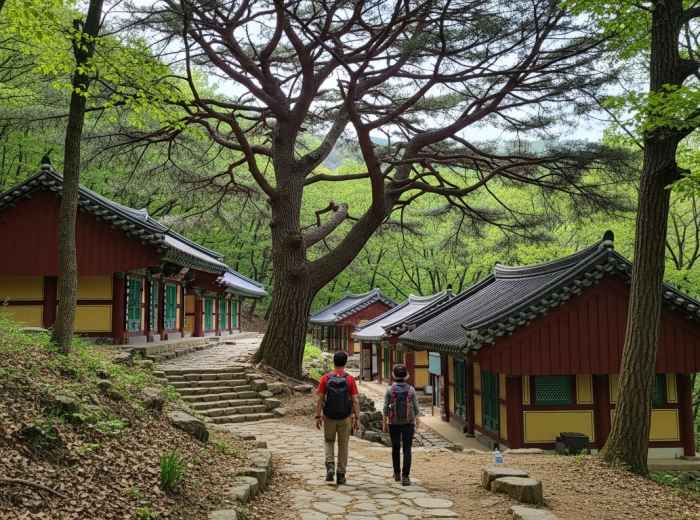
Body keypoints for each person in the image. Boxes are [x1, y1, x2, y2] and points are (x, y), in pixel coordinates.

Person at [315, 351, 360, 485]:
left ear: (333, 362)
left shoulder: (325, 378)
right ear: (345, 363)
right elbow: (355, 400)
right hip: (345, 417)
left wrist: (318, 416)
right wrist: (357, 417)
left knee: (329, 441)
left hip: (329, 416)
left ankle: (330, 466)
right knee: (343, 445)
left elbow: (320, 399)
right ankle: (341, 474)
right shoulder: (350, 379)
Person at [383, 363, 420, 486]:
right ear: (406, 376)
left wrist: (385, 422)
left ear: (393, 375)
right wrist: (417, 421)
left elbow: (385, 408)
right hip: (408, 423)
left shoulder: (390, 389)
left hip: (393, 422)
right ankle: (406, 476)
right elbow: (416, 408)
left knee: (395, 448)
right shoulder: (411, 390)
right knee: (407, 449)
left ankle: (397, 473)